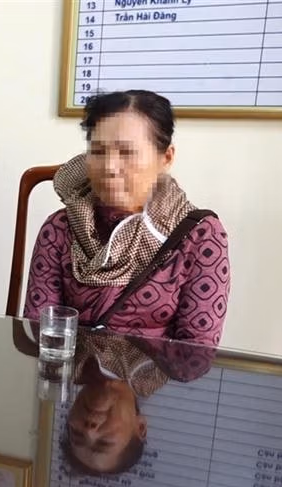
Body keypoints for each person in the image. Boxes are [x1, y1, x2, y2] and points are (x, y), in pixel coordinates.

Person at [24, 90, 231, 346]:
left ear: (166, 157)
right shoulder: (60, 228)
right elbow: (39, 331)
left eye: (127, 152)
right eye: (98, 151)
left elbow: (197, 350)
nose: (109, 167)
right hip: (71, 370)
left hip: (158, 372)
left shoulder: (200, 235)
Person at [61, 331, 214, 475]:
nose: (89, 431)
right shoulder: (175, 363)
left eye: (77, 434)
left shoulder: (60, 356)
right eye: (104, 443)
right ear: (140, 427)